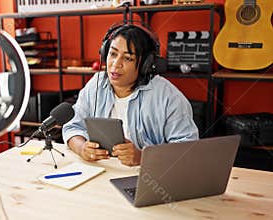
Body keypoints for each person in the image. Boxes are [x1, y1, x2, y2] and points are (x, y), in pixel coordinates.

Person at [62, 24, 199, 166]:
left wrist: (142, 157)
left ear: (146, 64)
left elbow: (187, 150)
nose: (116, 64)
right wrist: (81, 148)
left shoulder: (168, 97)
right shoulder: (96, 84)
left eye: (127, 58)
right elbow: (72, 127)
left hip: (149, 177)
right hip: (102, 171)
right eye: (113, 54)